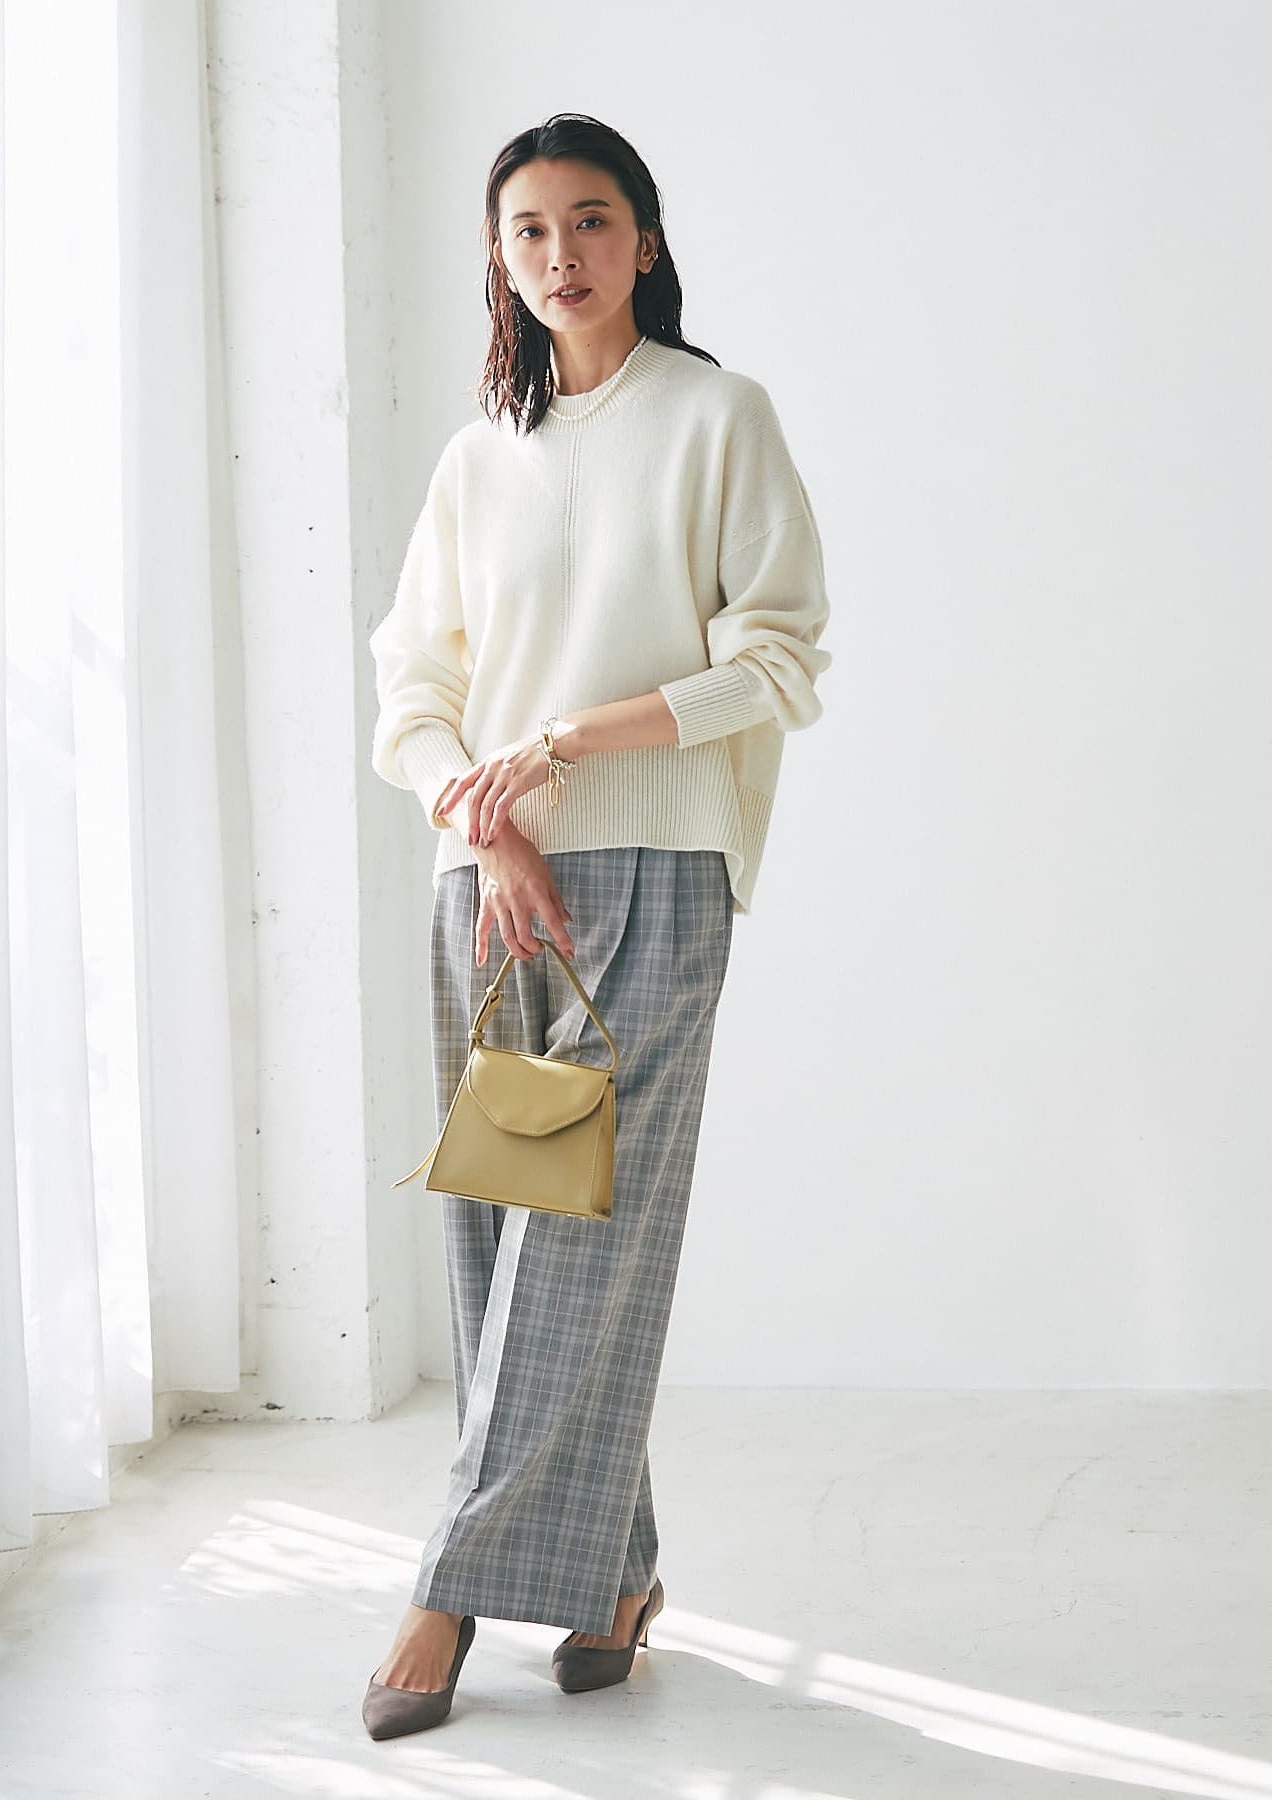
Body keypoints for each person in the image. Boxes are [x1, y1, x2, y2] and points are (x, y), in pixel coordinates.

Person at [363, 110, 832, 1740]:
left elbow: (777, 659)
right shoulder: (477, 458)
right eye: (529, 230)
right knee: (505, 1232)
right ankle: (617, 1576)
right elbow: (411, 688)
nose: (561, 254)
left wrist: (566, 740)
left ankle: (447, 1585)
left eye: (592, 220)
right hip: (490, 877)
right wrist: (480, 816)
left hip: (655, 860)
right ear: (498, 260)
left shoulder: (718, 416)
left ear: (645, 238)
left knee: (586, 1234)